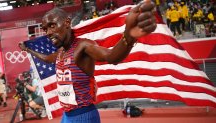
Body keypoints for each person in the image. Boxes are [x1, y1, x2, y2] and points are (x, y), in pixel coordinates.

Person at [18, 0, 157, 122]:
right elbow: (47, 59)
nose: (48, 32)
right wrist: (28, 50)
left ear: (67, 23)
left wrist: (129, 35)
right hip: (67, 115)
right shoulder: (61, 51)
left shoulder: (82, 46)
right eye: (45, 29)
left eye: (52, 26)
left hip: (83, 116)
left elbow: (112, 56)